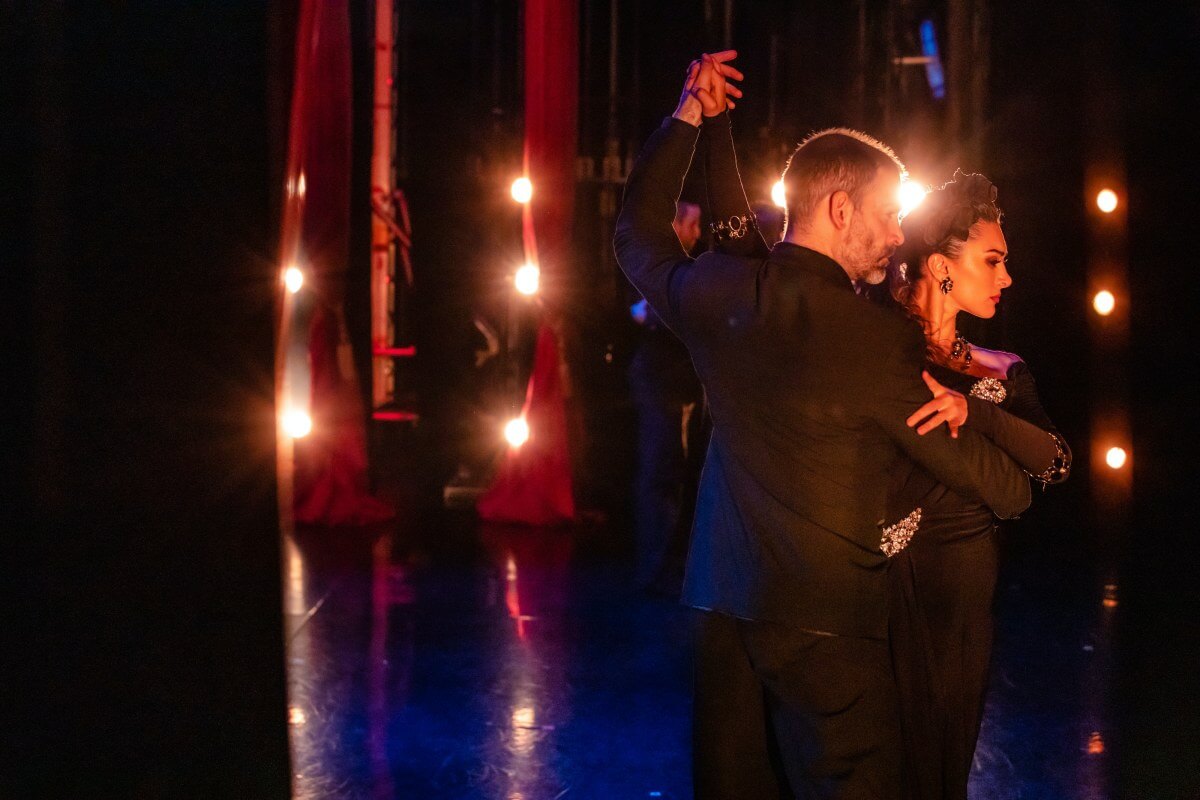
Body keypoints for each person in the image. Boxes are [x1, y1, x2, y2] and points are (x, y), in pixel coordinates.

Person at [614, 51, 1031, 798]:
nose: (897, 234)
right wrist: (1015, 475)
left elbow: (637, 233)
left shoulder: (721, 290)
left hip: (722, 610)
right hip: (826, 627)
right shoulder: (876, 339)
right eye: (888, 214)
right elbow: (976, 474)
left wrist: (693, 119)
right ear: (841, 210)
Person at [878, 172, 1071, 800]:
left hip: (966, 588)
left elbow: (1055, 464)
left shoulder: (1000, 369)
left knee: (947, 763)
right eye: (992, 261)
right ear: (941, 266)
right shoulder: (880, 351)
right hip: (886, 584)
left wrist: (976, 413)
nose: (1006, 278)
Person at [628, 201, 707, 594]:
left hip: (672, 384)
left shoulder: (674, 266)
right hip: (662, 383)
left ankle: (662, 565)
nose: (697, 233)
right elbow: (646, 313)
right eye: (692, 224)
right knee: (660, 475)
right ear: (674, 224)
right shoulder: (659, 263)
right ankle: (655, 569)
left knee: (669, 475)